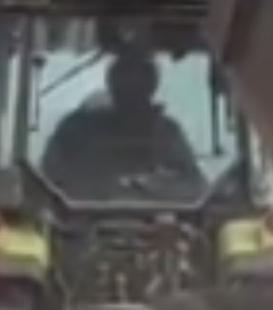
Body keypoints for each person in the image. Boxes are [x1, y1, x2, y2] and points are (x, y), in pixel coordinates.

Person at [39, 48, 204, 198]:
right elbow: (46, 186)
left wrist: (154, 185)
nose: (131, 86)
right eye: (126, 78)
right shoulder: (76, 131)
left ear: (151, 86)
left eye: (140, 80)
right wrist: (103, 187)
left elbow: (194, 189)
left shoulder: (167, 134)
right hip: (78, 225)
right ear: (112, 82)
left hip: (160, 225)